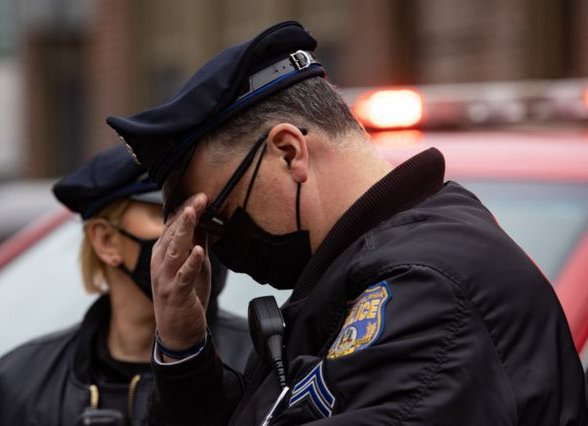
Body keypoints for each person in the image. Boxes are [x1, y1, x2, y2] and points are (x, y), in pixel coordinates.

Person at [107, 21, 586, 425]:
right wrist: (184, 351)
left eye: (217, 217)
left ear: (289, 152)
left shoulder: (426, 290)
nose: (216, 247)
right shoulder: (358, 280)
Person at [0, 145, 251, 425]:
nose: (196, 229)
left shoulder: (263, 363)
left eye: (207, 214)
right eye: (168, 212)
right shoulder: (21, 383)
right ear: (106, 240)